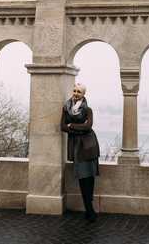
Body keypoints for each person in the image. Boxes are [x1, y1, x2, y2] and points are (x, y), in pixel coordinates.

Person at [60, 83, 100, 222]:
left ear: (83, 94)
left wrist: (72, 126)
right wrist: (79, 128)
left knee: (90, 178)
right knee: (83, 178)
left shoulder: (88, 109)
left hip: (89, 145)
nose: (76, 93)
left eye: (79, 92)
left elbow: (89, 126)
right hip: (77, 146)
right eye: (75, 90)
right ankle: (89, 210)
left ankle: (90, 210)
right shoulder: (66, 108)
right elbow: (62, 127)